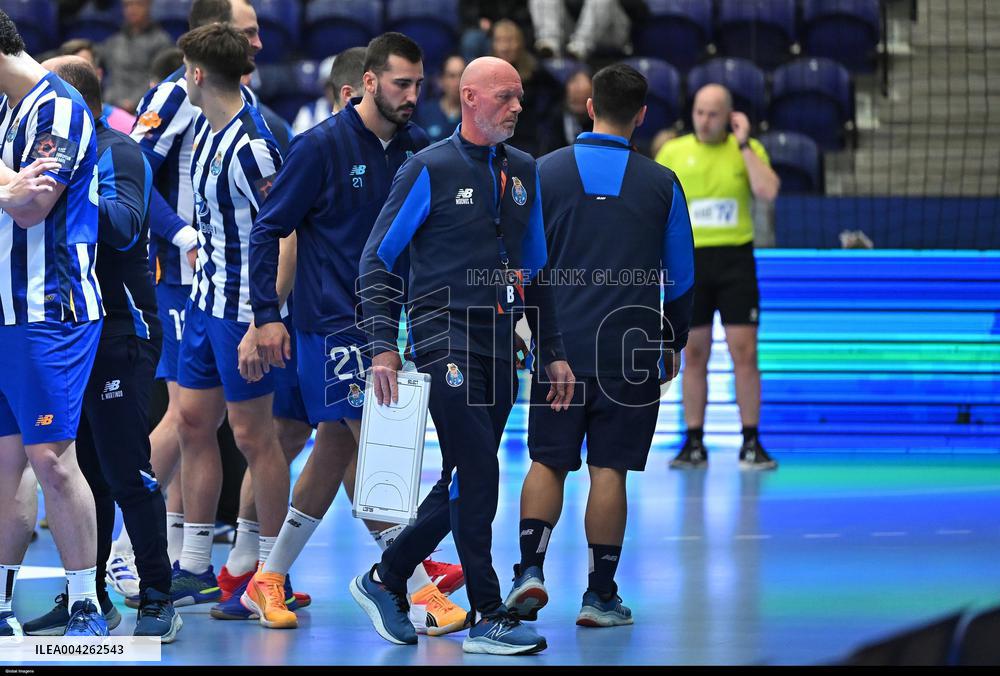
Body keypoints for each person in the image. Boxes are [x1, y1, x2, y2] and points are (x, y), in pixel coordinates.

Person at [352, 55, 575, 655]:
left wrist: (551, 350)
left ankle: (386, 577)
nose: (517, 107)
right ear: (469, 97)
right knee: (478, 470)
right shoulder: (429, 167)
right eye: (505, 97)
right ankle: (486, 611)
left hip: (503, 340)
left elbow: (537, 273)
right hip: (441, 332)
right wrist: (382, 345)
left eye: (520, 97)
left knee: (463, 474)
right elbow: (377, 260)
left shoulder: (525, 171)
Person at [244, 32, 466, 634]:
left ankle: (267, 578)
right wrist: (265, 314)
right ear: (368, 82)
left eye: (419, 84)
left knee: (335, 450)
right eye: (402, 84)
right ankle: (413, 587)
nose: (413, 95)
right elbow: (268, 229)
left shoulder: (418, 145)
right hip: (331, 324)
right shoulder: (318, 147)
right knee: (377, 452)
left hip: (388, 324)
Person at [503, 62, 694, 628]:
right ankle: (600, 596)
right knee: (608, 469)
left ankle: (528, 573)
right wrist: (673, 340)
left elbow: (520, 266)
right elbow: (681, 279)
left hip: (557, 349)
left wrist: (524, 330)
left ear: (589, 107)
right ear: (641, 115)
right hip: (629, 353)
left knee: (548, 461)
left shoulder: (541, 173)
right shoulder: (663, 183)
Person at [21, 56, 180, 641]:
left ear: (71, 104)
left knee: (124, 467)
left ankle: (158, 595)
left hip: (121, 329)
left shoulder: (118, 152)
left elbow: (122, 223)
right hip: (66, 329)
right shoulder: (42, 155)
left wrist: (64, 183)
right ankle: (87, 597)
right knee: (78, 469)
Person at [169, 21, 296, 630]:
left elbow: (289, 231)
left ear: (197, 73)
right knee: (194, 422)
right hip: (204, 302)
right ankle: (195, 563)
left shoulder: (254, 141)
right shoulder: (206, 126)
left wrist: (261, 320)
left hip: (244, 314)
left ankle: (274, 577)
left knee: (255, 438)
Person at [0, 9, 105, 637]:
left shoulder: (58, 109)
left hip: (51, 310)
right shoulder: (9, 111)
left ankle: (87, 606)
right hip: (7, 310)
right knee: (7, 462)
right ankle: (3, 603)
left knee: (53, 459)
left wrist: (11, 186)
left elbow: (33, 206)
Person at [655, 84, 781, 471]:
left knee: (745, 353)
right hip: (689, 261)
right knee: (693, 354)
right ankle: (693, 441)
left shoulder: (747, 150)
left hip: (735, 260)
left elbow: (767, 191)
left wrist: (744, 145)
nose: (704, 120)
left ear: (729, 116)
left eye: (713, 113)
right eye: (699, 112)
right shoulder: (673, 152)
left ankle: (751, 441)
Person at [491, 19, 562, 157]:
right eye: (500, 41)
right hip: (495, 139)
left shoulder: (536, 72)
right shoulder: (484, 71)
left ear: (520, 43)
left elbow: (557, 93)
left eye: (510, 40)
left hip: (528, 139)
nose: (505, 47)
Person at [99, 0, 174, 112]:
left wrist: (133, 102)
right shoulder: (114, 41)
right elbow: (111, 76)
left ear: (149, 5)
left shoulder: (161, 41)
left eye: (138, 4)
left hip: (144, 108)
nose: (132, 9)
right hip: (112, 107)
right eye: (127, 5)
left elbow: (158, 78)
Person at [56, 38, 136, 134]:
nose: (74, 77)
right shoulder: (46, 124)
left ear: (99, 74)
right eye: (66, 70)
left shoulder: (129, 126)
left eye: (82, 69)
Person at [413, 54, 465, 144]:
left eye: (462, 75)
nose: (457, 82)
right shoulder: (425, 112)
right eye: (451, 76)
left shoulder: (474, 115)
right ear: (441, 80)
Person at [538, 68, 592, 154]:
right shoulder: (555, 117)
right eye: (575, 99)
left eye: (584, 98)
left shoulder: (598, 121)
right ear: (566, 94)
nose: (579, 104)